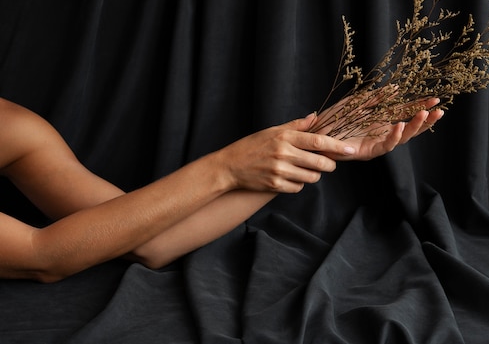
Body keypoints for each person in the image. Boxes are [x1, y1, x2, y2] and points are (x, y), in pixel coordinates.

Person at [0, 96, 443, 283]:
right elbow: (45, 257)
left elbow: (151, 240)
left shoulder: (14, 127)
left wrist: (316, 144)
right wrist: (228, 167)